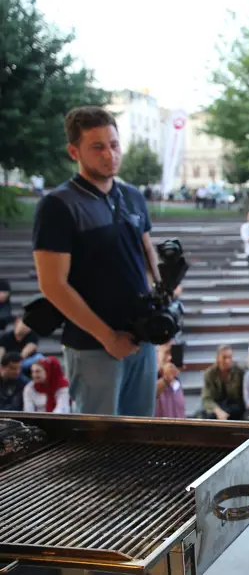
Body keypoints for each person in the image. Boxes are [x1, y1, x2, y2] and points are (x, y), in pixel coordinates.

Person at [32, 107, 159, 417]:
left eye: (114, 145)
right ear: (74, 151)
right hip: (93, 347)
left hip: (142, 339)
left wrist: (163, 294)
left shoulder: (133, 196)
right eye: (97, 147)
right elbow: (52, 284)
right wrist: (109, 338)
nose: (109, 155)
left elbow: (147, 251)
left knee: (144, 434)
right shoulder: (57, 205)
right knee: (101, 440)